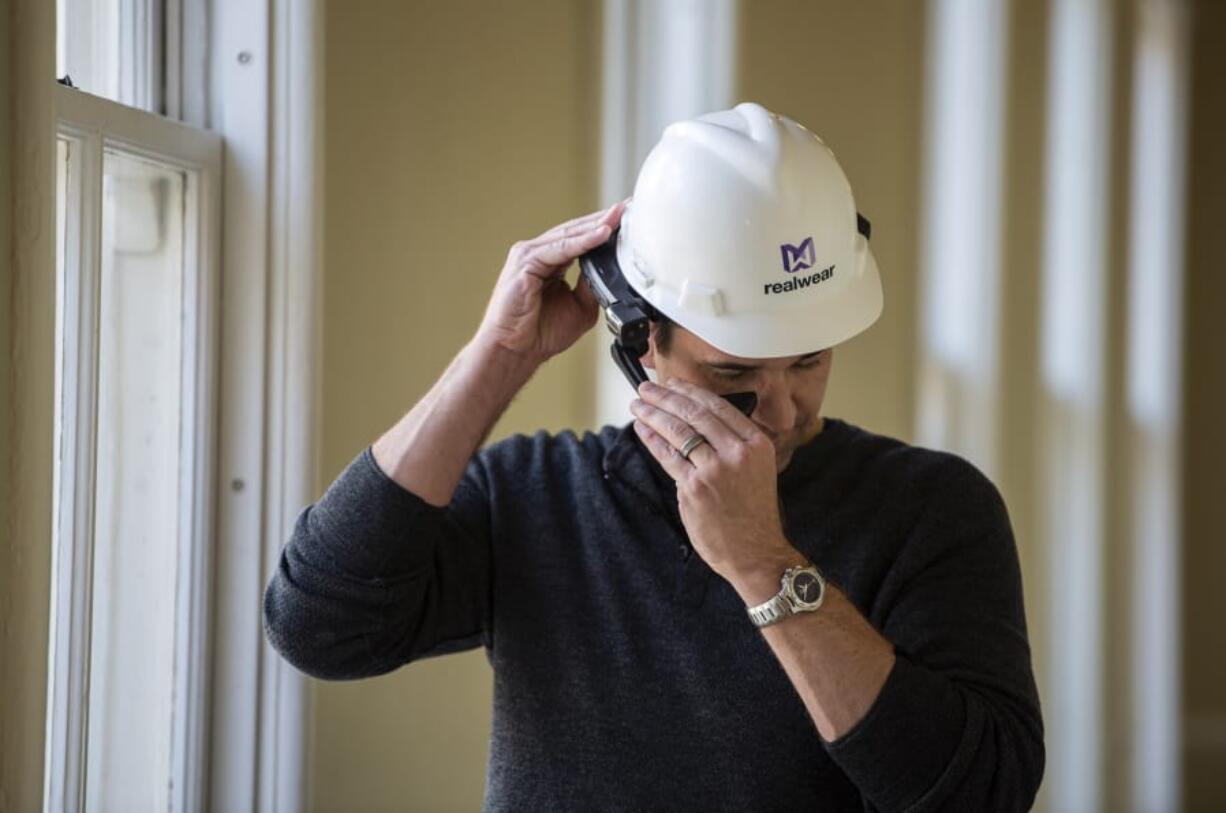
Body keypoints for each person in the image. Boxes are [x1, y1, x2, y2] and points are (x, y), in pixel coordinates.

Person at [263, 103, 1044, 811]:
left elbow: (981, 794)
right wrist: (498, 357)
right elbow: (318, 626)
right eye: (732, 373)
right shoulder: (536, 497)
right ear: (641, 344)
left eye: (807, 361)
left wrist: (764, 565)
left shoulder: (933, 506)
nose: (780, 410)